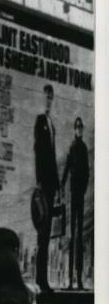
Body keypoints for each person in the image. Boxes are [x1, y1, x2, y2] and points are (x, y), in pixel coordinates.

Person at [33, 84, 59, 292]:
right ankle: (41, 280)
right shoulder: (40, 122)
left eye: (51, 97)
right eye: (46, 96)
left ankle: (43, 279)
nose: (48, 100)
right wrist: (40, 181)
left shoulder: (51, 124)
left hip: (51, 186)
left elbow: (52, 157)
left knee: (47, 232)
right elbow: (39, 153)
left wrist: (57, 185)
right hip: (43, 186)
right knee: (42, 233)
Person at [60, 117, 89, 290]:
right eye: (77, 127)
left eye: (81, 127)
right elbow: (67, 169)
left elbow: (87, 172)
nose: (79, 130)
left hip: (80, 196)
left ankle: (78, 279)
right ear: (74, 129)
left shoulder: (84, 148)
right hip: (73, 195)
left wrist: (84, 189)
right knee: (72, 236)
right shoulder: (73, 147)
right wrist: (62, 186)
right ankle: (70, 278)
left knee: (78, 237)